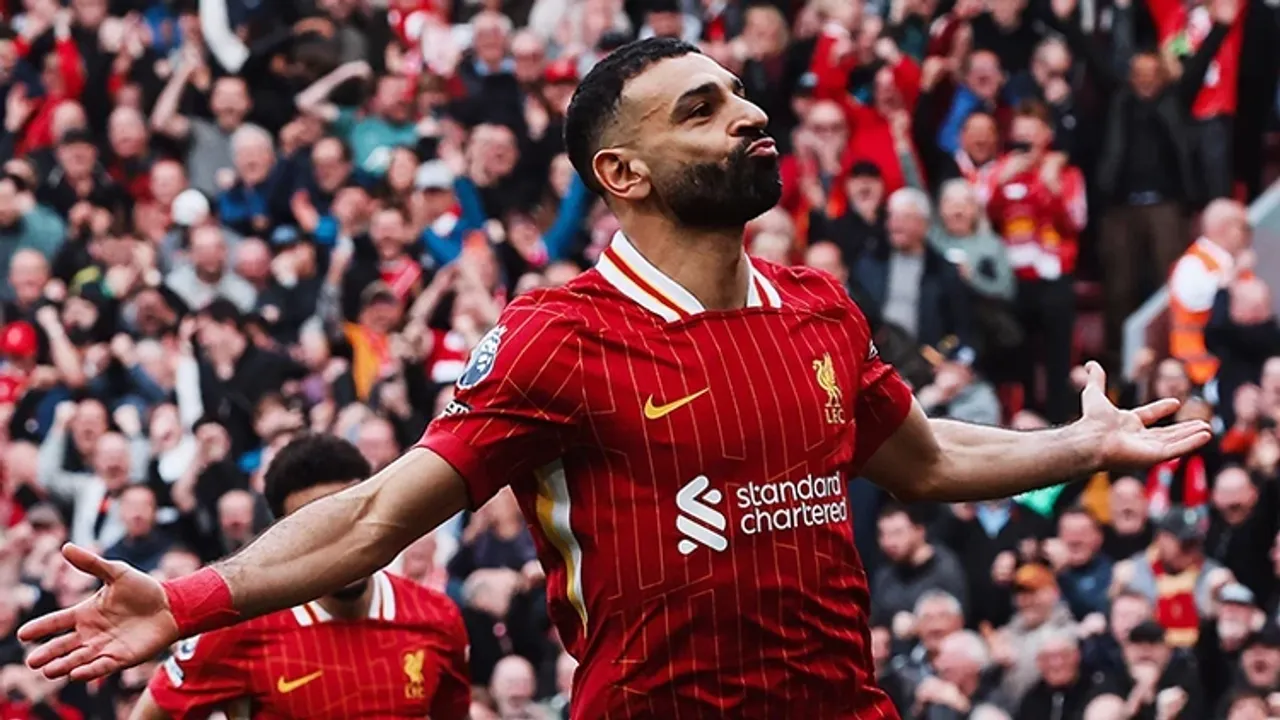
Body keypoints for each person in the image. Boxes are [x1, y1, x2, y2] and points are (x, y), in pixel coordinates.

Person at [19, 38, 1212, 719]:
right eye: (702, 109)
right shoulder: (557, 337)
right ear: (622, 175)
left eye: (737, 93)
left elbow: (927, 458)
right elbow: (378, 513)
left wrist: (1079, 445)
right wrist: (187, 600)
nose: (747, 113)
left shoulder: (819, 306)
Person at [128, 433, 470, 719]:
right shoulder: (239, 629)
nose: (339, 540)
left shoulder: (437, 616)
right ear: (284, 538)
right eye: (316, 529)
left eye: (349, 520)